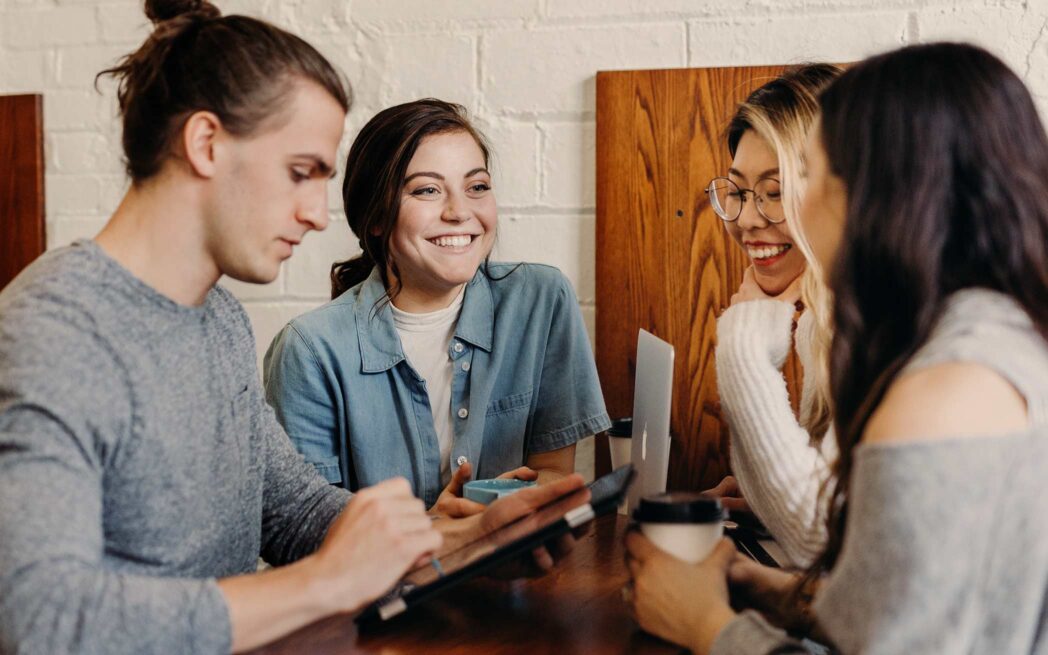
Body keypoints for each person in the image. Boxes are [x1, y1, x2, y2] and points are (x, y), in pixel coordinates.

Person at [0, 2, 585, 653]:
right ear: (205, 144)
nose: (316, 214)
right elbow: (40, 619)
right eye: (300, 173)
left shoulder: (219, 319)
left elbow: (294, 512)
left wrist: (465, 542)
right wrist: (325, 582)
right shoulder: (53, 331)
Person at [626, 42, 1048, 653]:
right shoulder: (991, 336)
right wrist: (772, 592)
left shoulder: (942, 391)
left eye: (812, 175)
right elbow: (910, 606)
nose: (761, 215)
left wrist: (706, 625)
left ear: (882, 194)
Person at [263, 98, 611, 514]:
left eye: (476, 187)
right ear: (376, 217)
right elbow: (306, 526)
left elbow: (553, 472)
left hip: (515, 555)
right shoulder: (308, 350)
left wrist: (502, 511)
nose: (460, 212)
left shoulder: (542, 301)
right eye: (427, 190)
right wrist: (438, 530)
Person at [703, 64, 841, 567]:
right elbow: (835, 518)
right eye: (737, 192)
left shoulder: (886, 324)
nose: (746, 219)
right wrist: (767, 498)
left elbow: (819, 538)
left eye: (776, 192)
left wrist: (743, 347)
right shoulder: (824, 321)